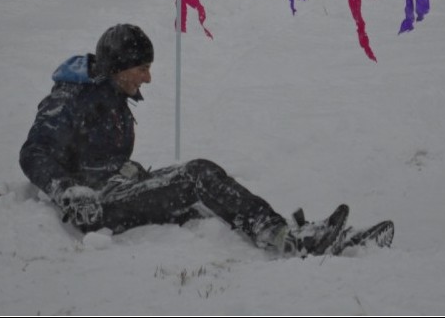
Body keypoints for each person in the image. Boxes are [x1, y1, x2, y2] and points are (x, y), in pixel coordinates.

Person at [19, 24, 351, 257]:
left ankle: (286, 232)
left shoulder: (111, 91)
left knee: (200, 200)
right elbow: (34, 152)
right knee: (197, 174)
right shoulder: (71, 98)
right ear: (119, 67)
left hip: (115, 189)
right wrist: (68, 191)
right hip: (95, 208)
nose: (148, 77)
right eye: (143, 68)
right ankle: (282, 238)